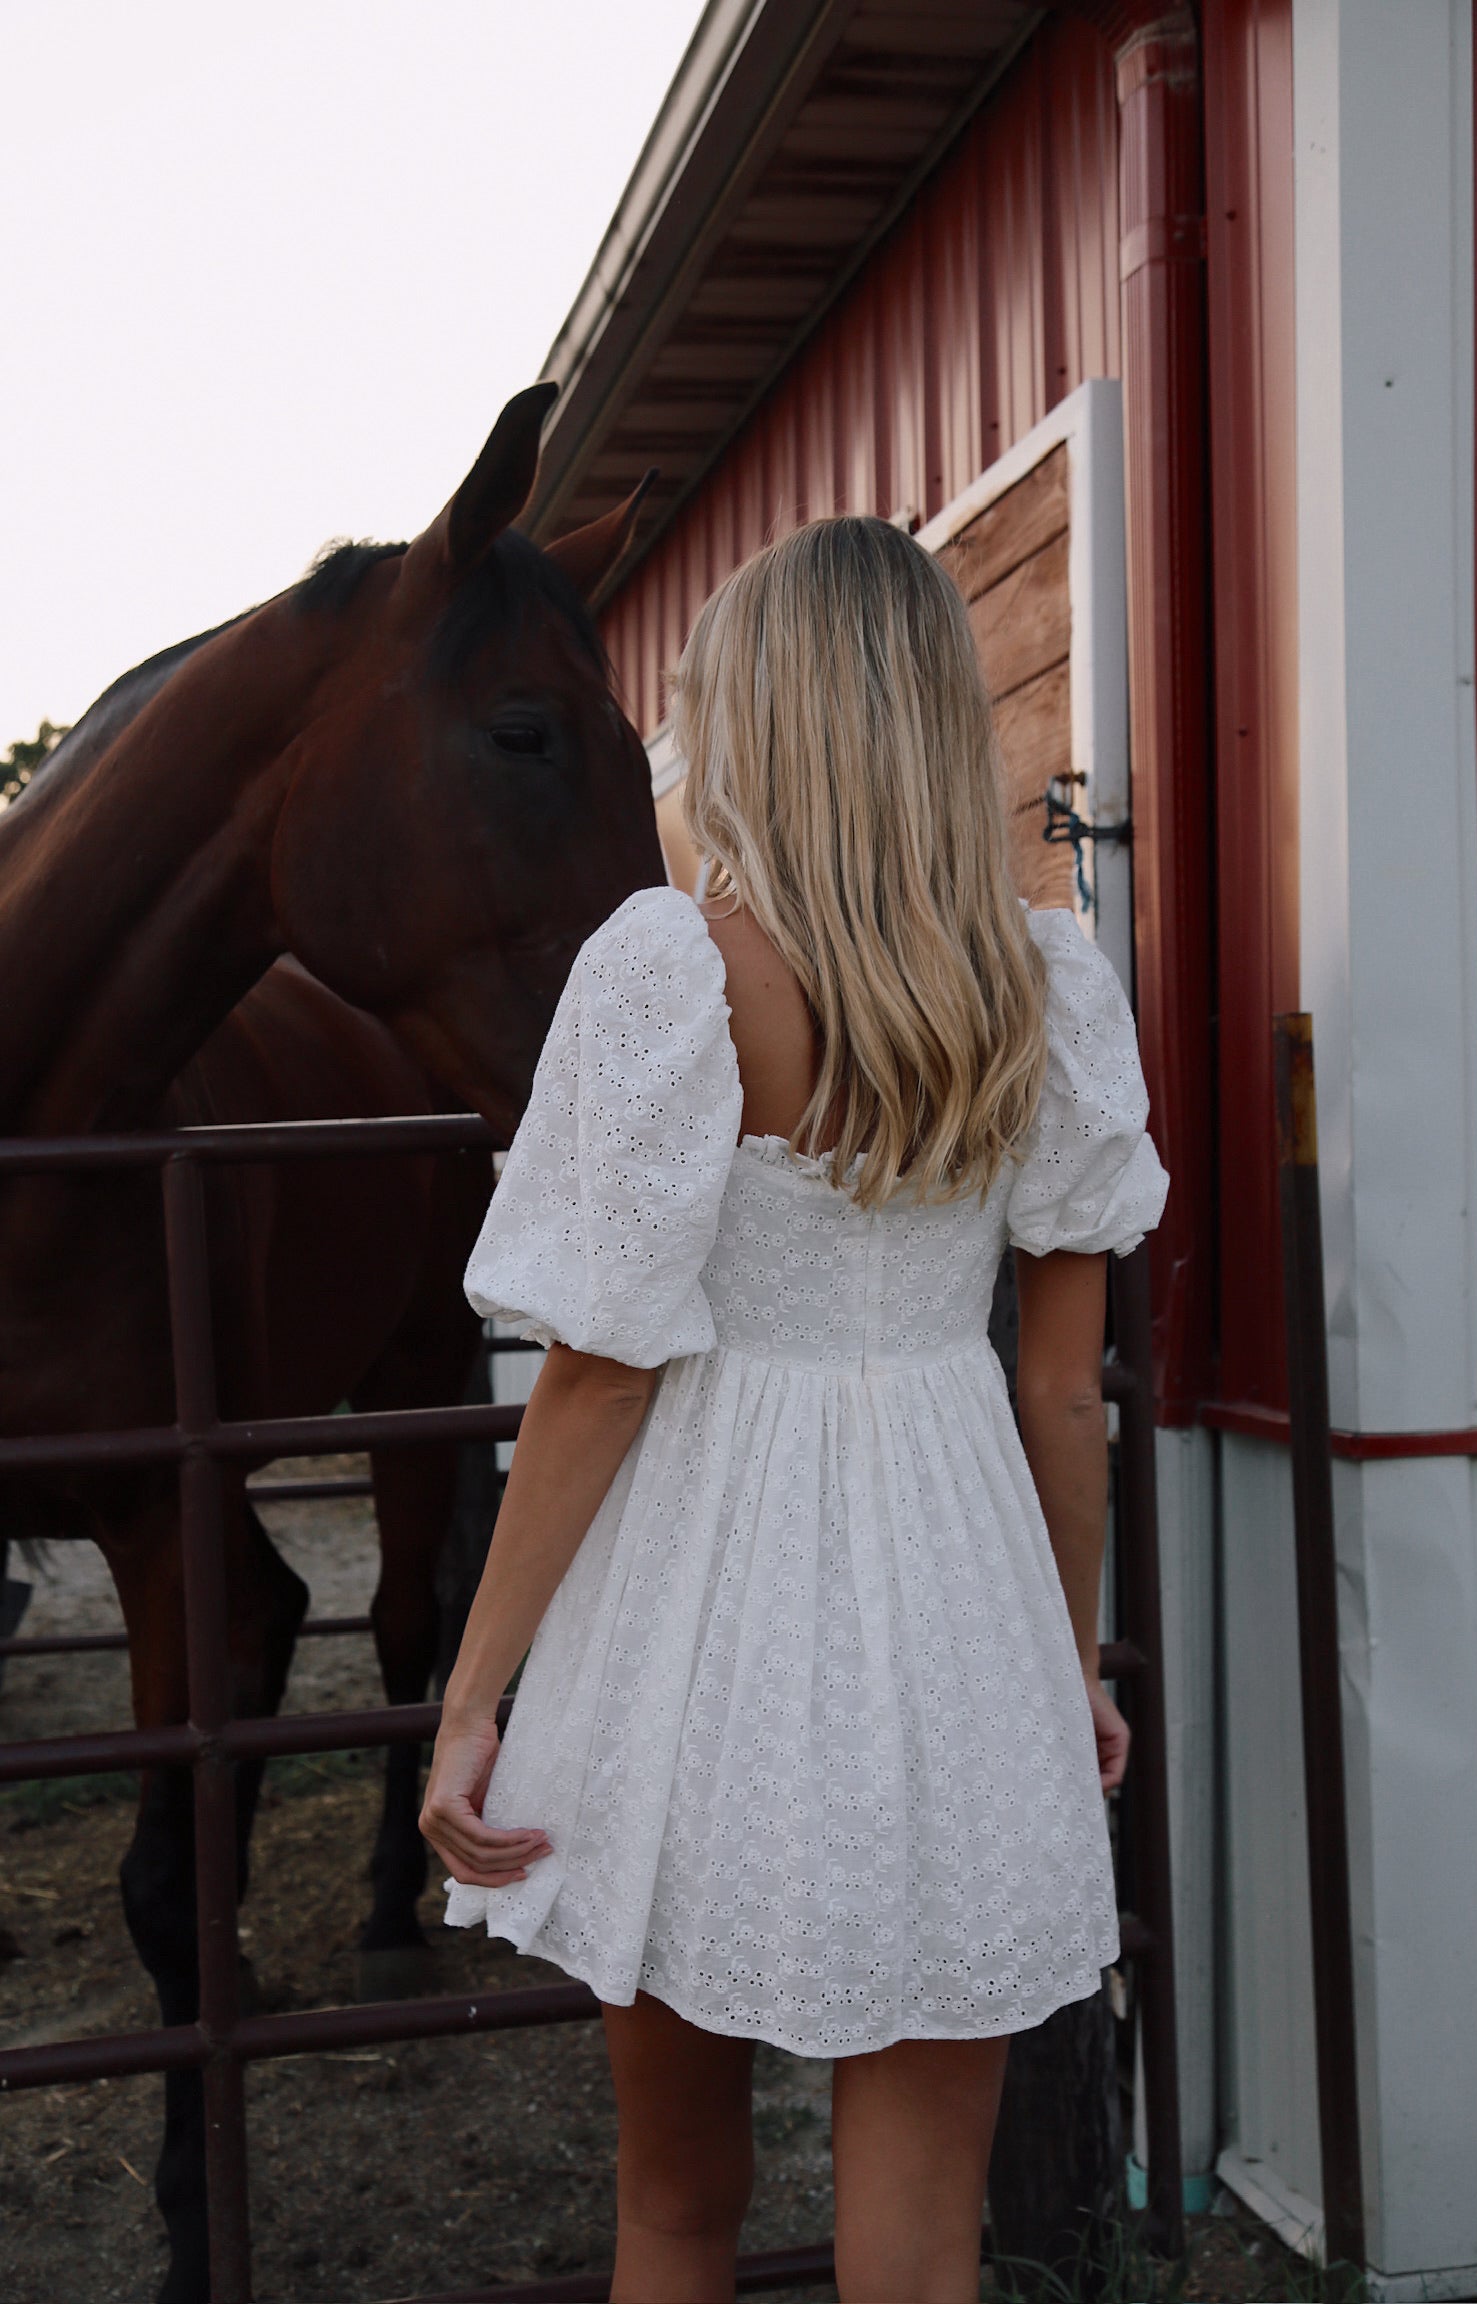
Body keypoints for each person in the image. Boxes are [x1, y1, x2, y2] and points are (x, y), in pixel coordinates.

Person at [419, 516, 1168, 2304]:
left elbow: (600, 1375)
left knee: (676, 2206)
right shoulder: (1044, 984)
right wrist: (1062, 1667)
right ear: (930, 713)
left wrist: (474, 1696)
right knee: (921, 2243)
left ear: (754, 715)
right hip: (956, 1596)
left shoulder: (668, 973)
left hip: (701, 1608)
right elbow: (1063, 1392)